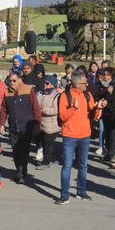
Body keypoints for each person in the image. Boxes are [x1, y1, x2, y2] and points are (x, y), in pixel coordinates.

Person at [56, 72, 107, 204]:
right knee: (67, 165)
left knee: (83, 166)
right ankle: (64, 194)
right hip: (69, 136)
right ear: (77, 84)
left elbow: (93, 115)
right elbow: (62, 116)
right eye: (85, 83)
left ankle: (81, 191)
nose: (87, 84)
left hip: (85, 135)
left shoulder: (87, 95)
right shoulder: (65, 96)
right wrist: (74, 107)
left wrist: (98, 108)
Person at [0, 70, 42, 184]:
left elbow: (36, 108)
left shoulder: (29, 90)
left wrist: (37, 123)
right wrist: (2, 124)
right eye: (10, 81)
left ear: (20, 80)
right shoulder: (7, 92)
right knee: (16, 152)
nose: (12, 83)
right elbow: (4, 110)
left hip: (26, 127)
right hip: (13, 127)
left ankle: (21, 174)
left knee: (24, 152)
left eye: (14, 80)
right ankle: (19, 171)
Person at [36, 75, 63, 170]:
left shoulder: (56, 95)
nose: (45, 85)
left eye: (47, 83)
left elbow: (56, 110)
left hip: (52, 123)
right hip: (41, 123)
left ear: (53, 84)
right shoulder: (40, 93)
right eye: (44, 82)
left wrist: (44, 110)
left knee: (48, 142)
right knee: (43, 141)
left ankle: (45, 162)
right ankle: (52, 158)